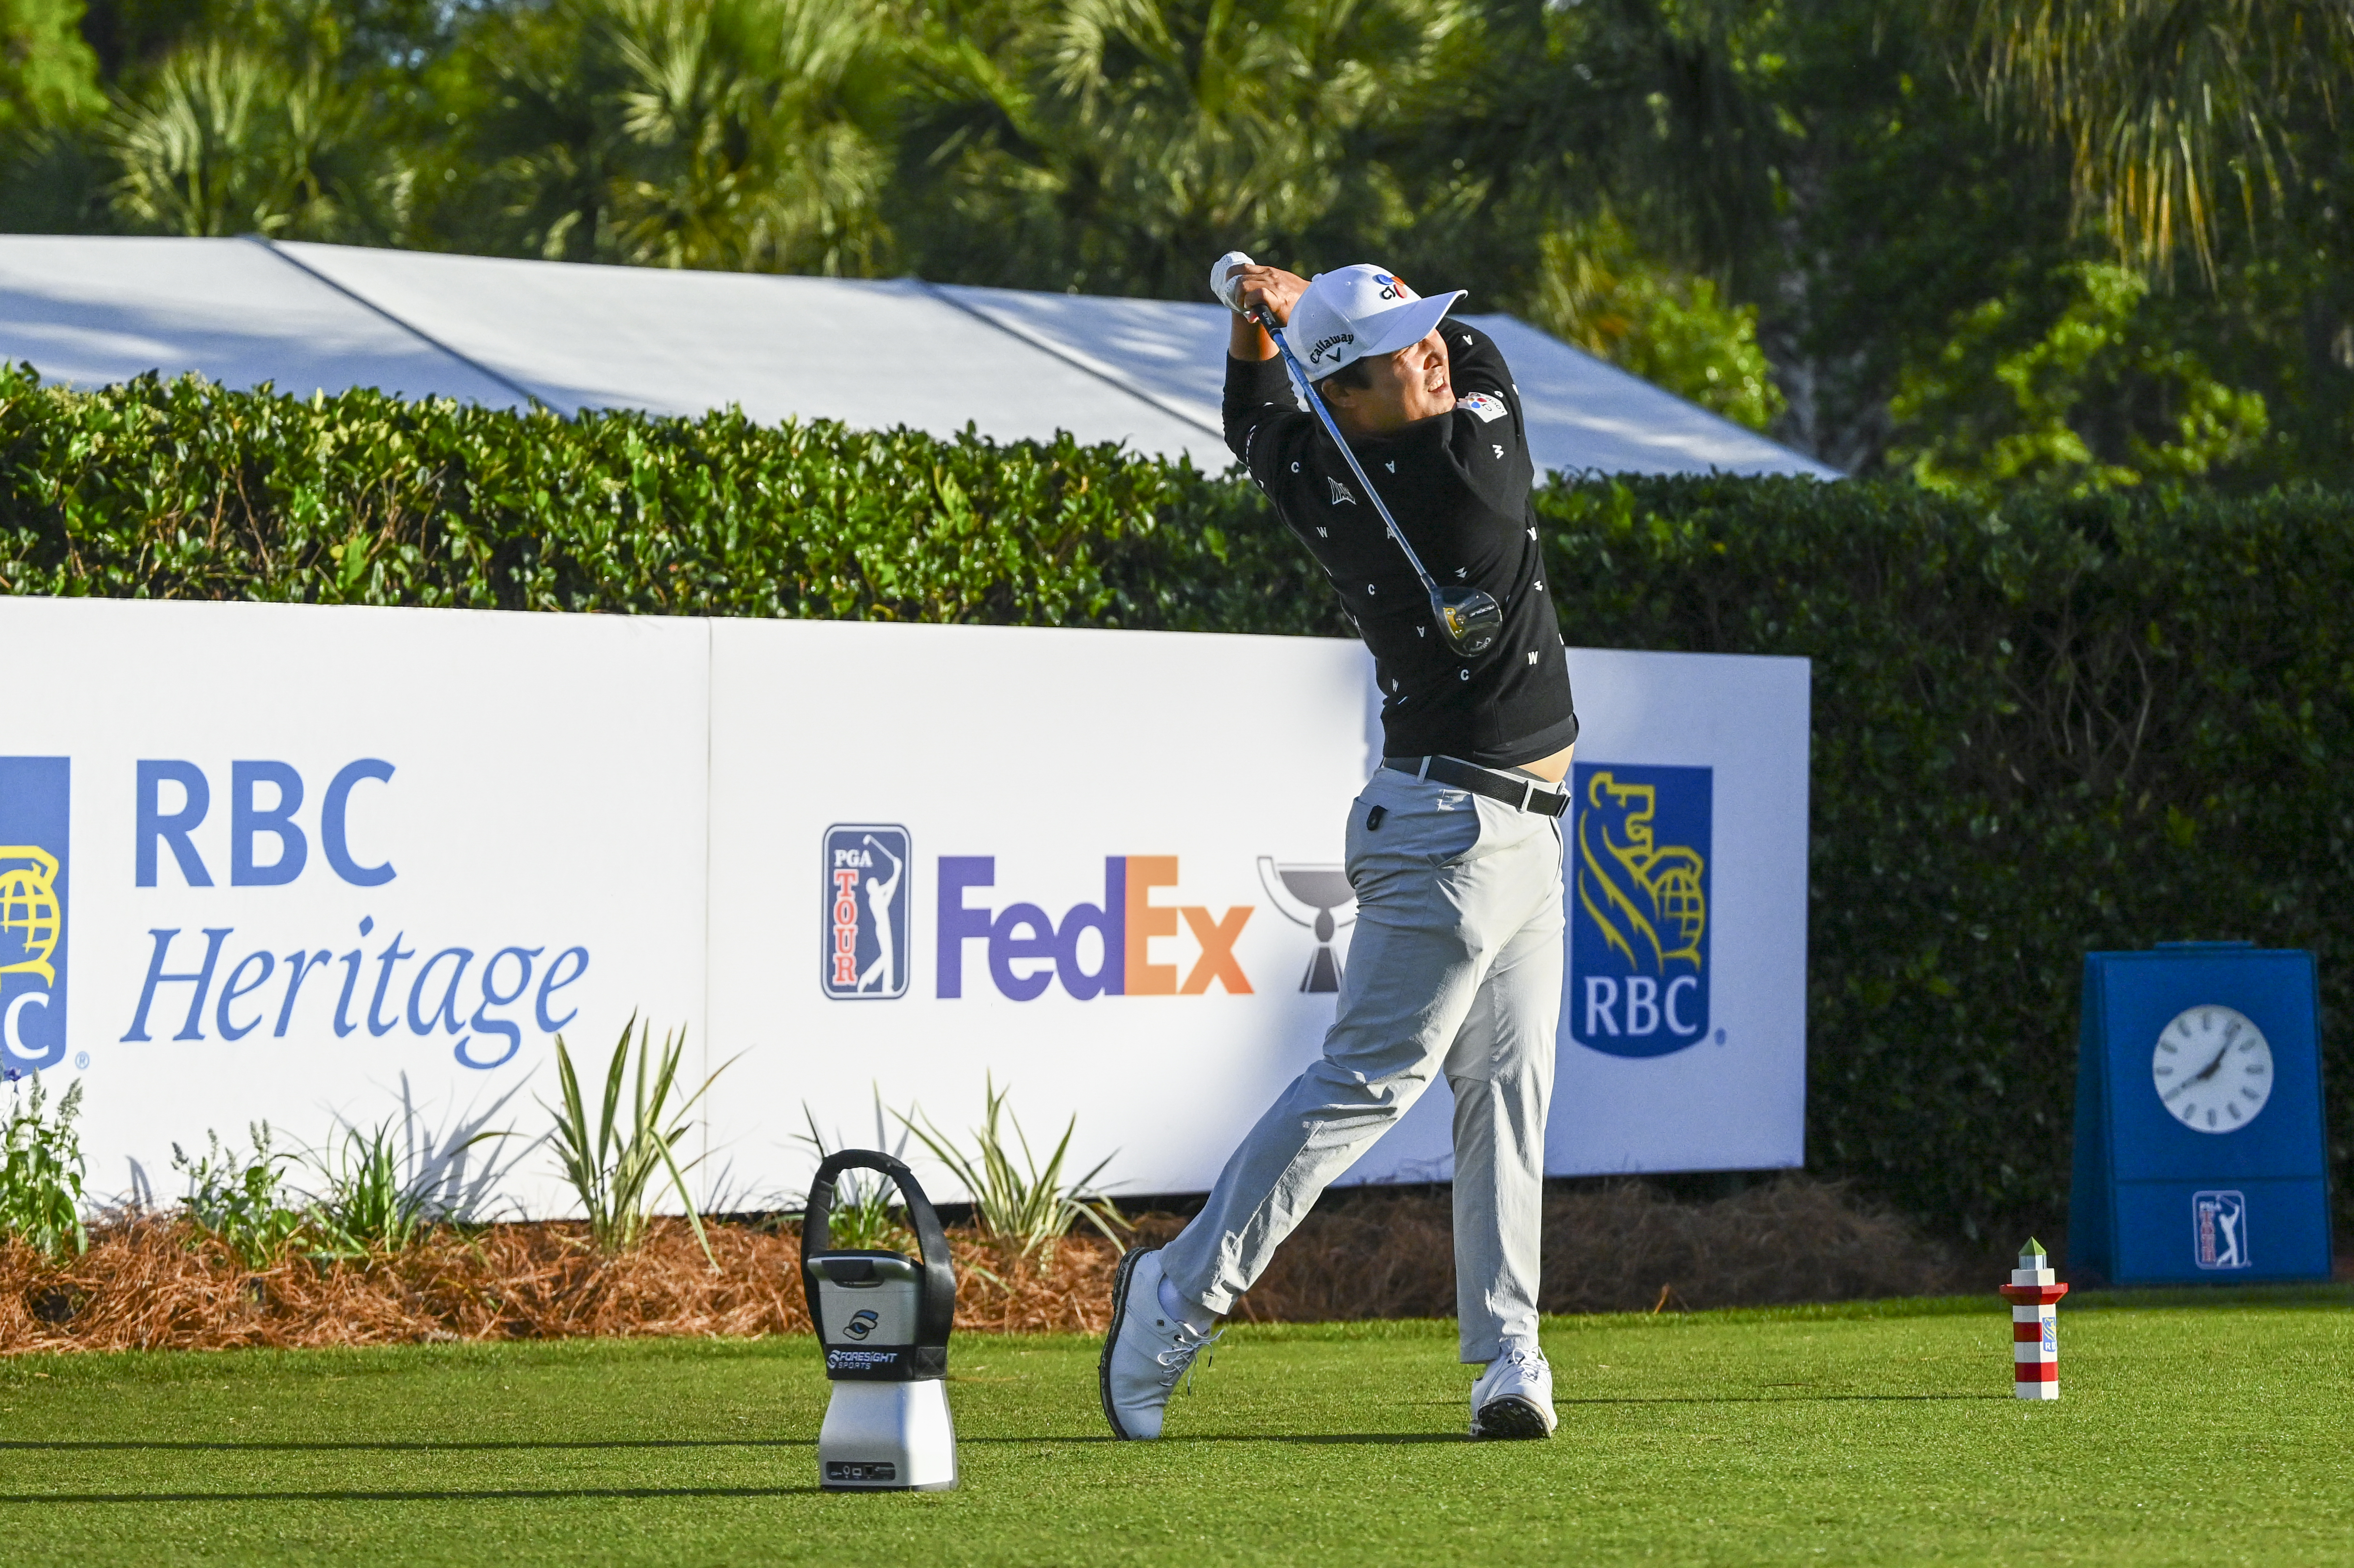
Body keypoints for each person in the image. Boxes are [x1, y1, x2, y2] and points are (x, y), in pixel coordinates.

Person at [1098, 256, 1578, 1442]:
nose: (1430, 353)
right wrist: (1297, 299)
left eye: (1422, 335)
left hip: (1504, 831)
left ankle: (1504, 1354)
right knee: (1367, 1084)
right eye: (1396, 356)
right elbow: (1489, 362)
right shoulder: (1470, 477)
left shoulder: (1319, 467)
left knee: (1505, 1094)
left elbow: (1251, 417)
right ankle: (1175, 1292)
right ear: (1350, 397)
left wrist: (1261, 326)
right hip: (1450, 833)